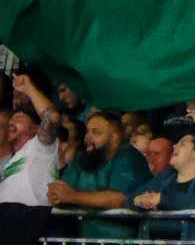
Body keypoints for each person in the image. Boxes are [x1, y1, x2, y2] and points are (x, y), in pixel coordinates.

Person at [47, 110, 151, 241]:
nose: (87, 137)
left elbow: (119, 198)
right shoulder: (81, 159)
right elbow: (63, 190)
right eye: (87, 131)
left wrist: (73, 197)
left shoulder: (129, 157)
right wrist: (56, 195)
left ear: (114, 137)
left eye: (95, 132)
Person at [133, 131, 195, 241]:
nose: (175, 146)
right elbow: (129, 198)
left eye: (182, 144)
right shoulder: (166, 176)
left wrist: (162, 199)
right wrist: (138, 200)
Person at [0, 75, 60, 245]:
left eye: (18, 118)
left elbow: (52, 118)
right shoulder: (11, 160)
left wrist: (28, 89)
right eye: (10, 119)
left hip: (23, 219)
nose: (11, 122)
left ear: (36, 128)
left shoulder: (41, 148)